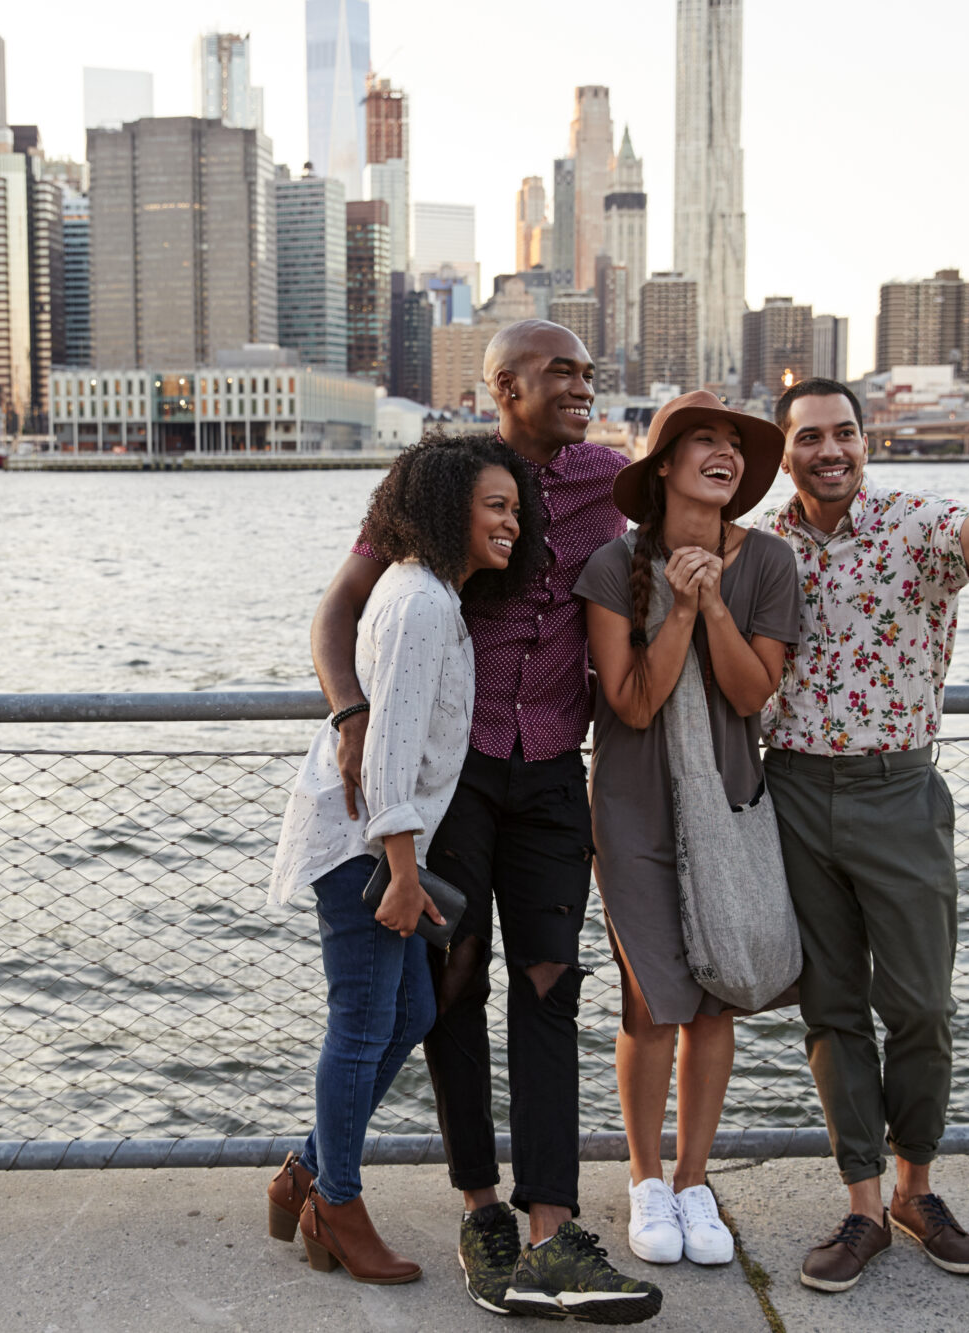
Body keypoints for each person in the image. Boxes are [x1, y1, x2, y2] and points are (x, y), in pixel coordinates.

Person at [309, 321, 663, 1323]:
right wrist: (350, 714)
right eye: (558, 371)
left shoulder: (608, 476)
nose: (581, 383)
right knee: (450, 984)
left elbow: (702, 485)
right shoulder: (439, 480)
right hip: (454, 777)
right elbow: (333, 610)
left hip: (553, 774)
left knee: (550, 985)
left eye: (589, 369)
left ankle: (552, 1230)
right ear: (499, 385)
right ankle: (479, 1211)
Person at [757, 373, 969, 1294]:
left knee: (921, 1006)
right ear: (783, 449)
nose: (828, 451)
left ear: (866, 442)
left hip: (898, 788)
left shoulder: (918, 525)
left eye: (843, 434)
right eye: (808, 438)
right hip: (788, 787)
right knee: (830, 1008)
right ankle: (865, 1205)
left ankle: (918, 1188)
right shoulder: (760, 545)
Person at [266, 434, 545, 1285]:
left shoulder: (431, 596)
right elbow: (383, 752)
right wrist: (400, 870)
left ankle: (306, 1170)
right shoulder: (421, 603)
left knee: (414, 1007)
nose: (511, 521)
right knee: (362, 1020)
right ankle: (336, 1204)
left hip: (379, 840)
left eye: (516, 508)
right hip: (366, 844)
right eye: (494, 506)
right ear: (444, 507)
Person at [575, 392, 802, 1268]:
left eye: (735, 445)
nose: (724, 454)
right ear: (663, 466)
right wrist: (673, 606)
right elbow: (632, 702)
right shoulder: (609, 567)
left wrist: (712, 606)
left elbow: (751, 695)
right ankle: (644, 1179)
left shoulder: (769, 563)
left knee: (717, 992)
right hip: (632, 810)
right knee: (651, 1000)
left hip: (733, 804)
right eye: (702, 441)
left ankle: (694, 1179)